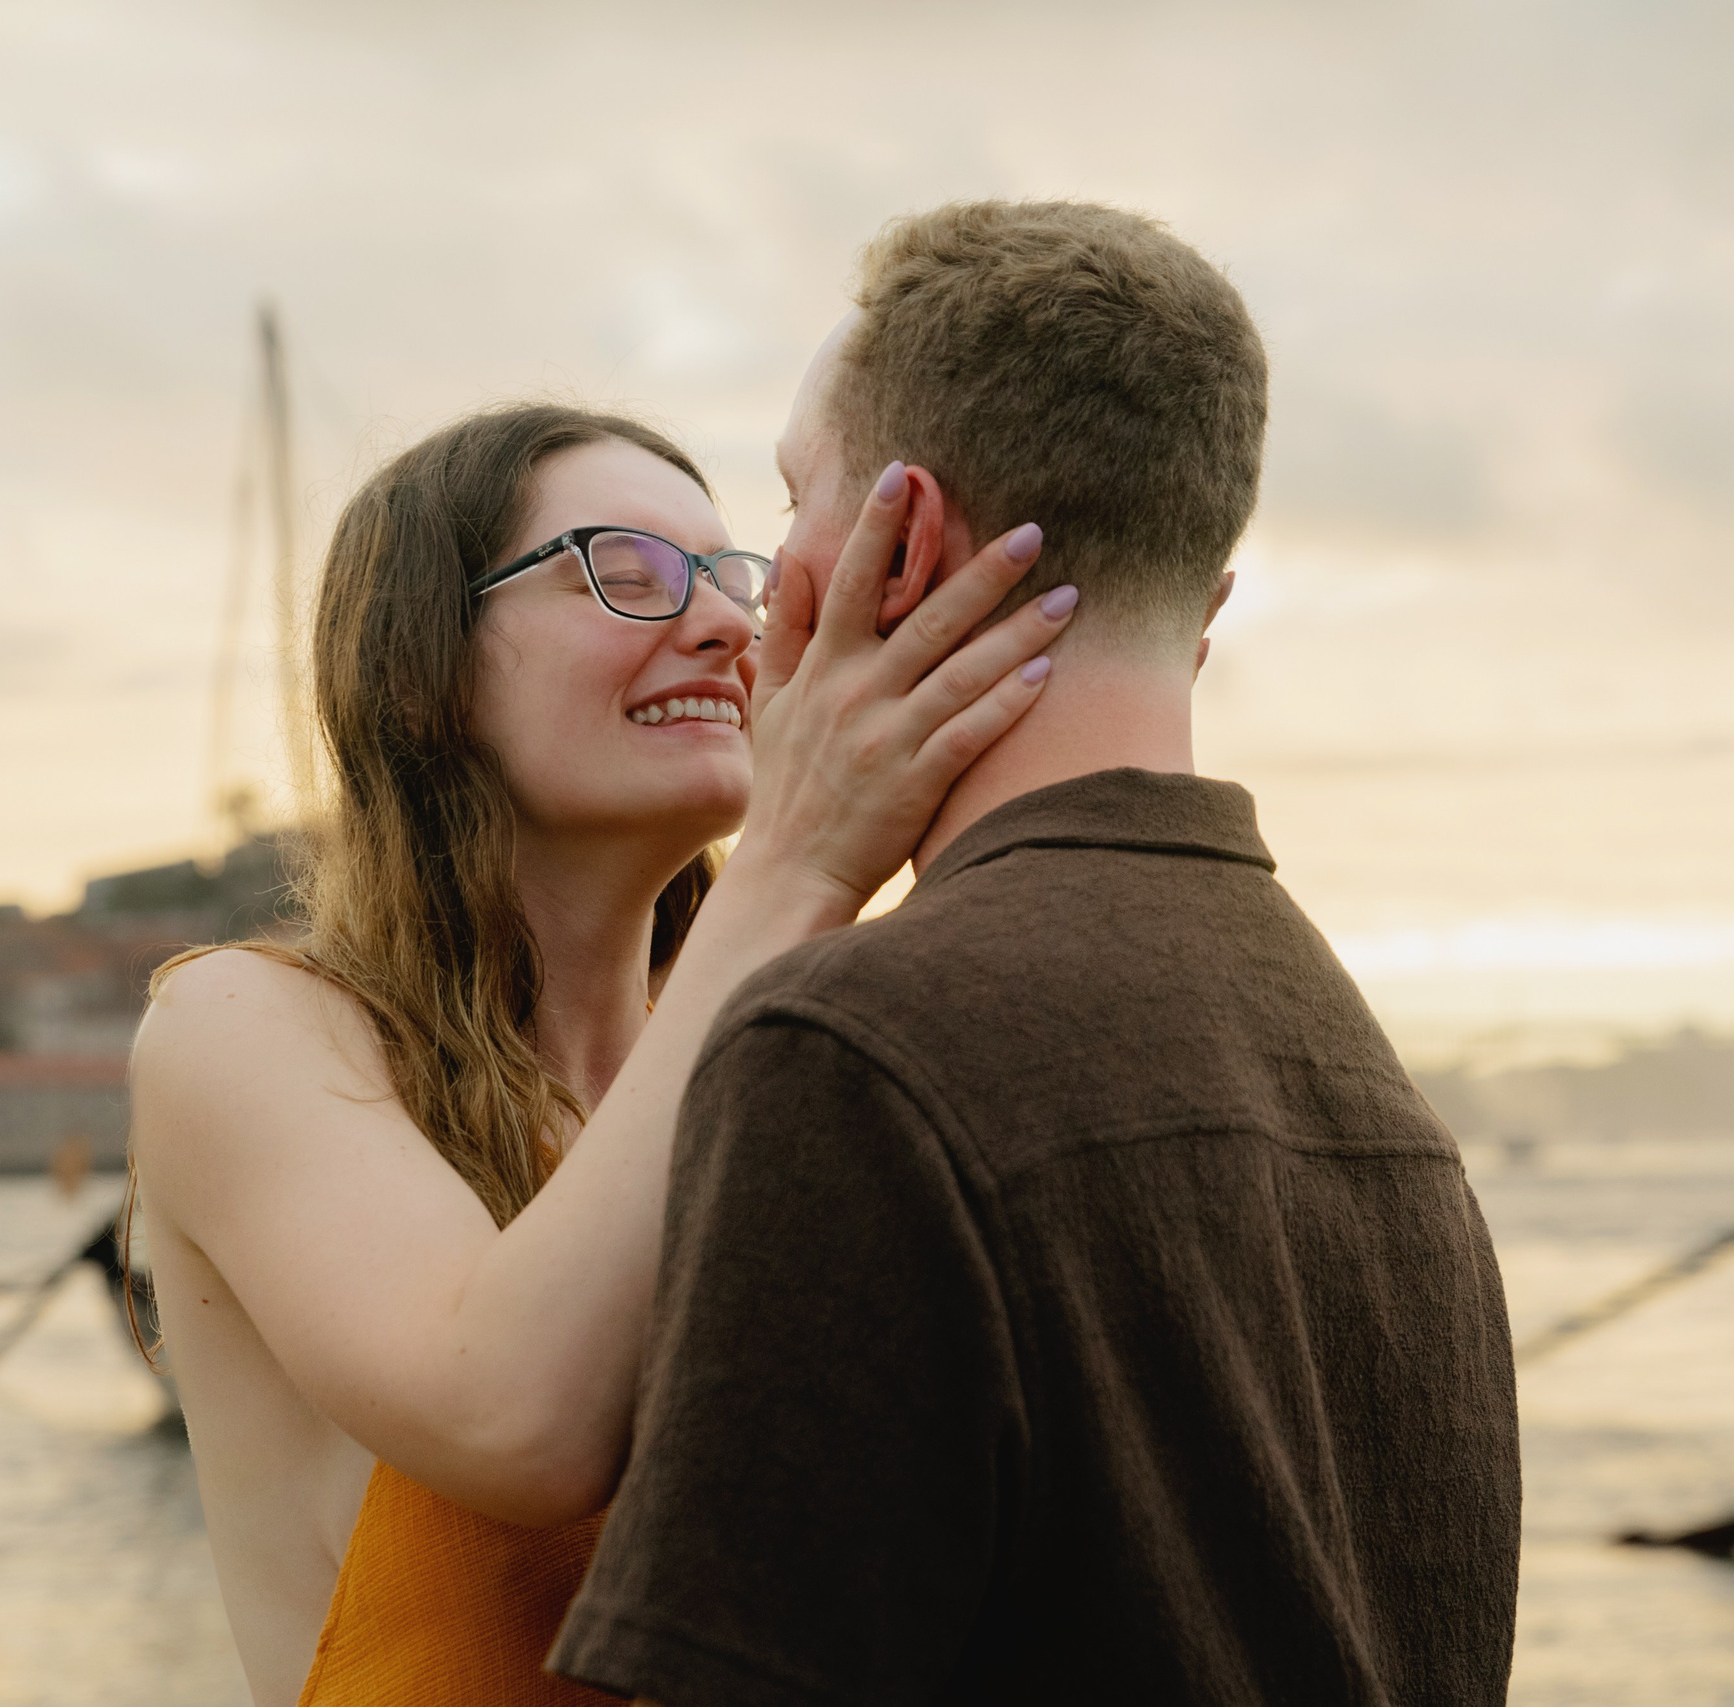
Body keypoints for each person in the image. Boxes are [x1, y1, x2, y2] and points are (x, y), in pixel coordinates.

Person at [551, 201, 1521, 1705]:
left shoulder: (855, 1049)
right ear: (1200, 604)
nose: (758, 599)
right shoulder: (1380, 1105)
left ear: (903, 546)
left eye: (800, 500)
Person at [127, 402, 1075, 1707]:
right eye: (621, 577)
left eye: (733, 578)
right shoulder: (239, 1031)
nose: (725, 625)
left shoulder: (784, 1041)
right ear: (420, 671)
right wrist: (799, 864)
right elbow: (507, 1418)